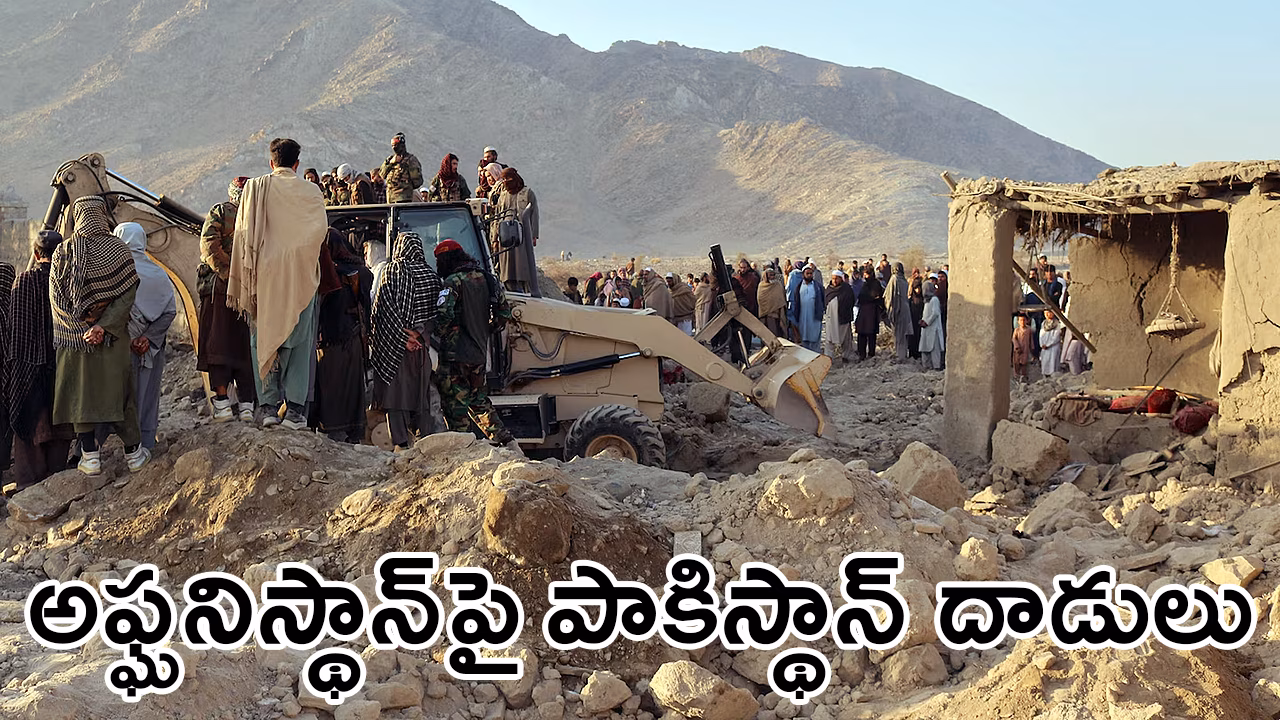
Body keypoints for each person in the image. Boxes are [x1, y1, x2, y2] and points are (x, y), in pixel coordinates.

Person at [228, 137, 328, 430]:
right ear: (297, 164)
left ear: (271, 162)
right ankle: (296, 412)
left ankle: (268, 407)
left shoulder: (256, 189)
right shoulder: (311, 192)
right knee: (299, 343)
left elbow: (244, 234)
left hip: (265, 277)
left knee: (263, 339)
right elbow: (320, 232)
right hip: (301, 277)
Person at [50, 196, 146, 475]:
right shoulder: (119, 250)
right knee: (119, 394)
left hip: (74, 340)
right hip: (111, 339)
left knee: (81, 396)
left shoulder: (62, 252)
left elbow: (56, 298)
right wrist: (103, 327)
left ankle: (90, 457)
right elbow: (127, 294)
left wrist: (80, 330)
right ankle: (134, 455)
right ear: (102, 215)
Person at [433, 239, 517, 446]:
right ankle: (505, 441)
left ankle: (461, 448)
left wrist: (440, 332)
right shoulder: (488, 279)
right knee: (479, 401)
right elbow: (504, 314)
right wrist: (484, 329)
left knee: (455, 405)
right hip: (479, 353)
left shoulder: (452, 282)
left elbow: (443, 316)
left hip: (455, 355)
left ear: (446, 260)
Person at [6, 231, 73, 489]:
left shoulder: (22, 282)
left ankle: (29, 485)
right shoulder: (67, 282)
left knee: (28, 424)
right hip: (62, 364)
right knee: (61, 423)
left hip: (27, 367)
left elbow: (16, 330)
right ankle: (56, 479)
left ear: (36, 255)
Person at [368, 232, 441, 451]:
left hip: (394, 348)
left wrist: (402, 337)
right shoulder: (431, 275)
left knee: (395, 396)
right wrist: (418, 336)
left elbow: (383, 310)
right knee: (421, 394)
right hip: (422, 348)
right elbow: (436, 312)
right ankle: (424, 440)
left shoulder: (392, 271)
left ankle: (400, 443)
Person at [198, 177, 257, 423]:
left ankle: (223, 404)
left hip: (220, 291)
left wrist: (228, 274)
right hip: (248, 291)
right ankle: (246, 406)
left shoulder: (220, 211)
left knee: (219, 346)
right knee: (244, 347)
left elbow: (209, 247)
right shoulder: (259, 217)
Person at [115, 223, 176, 453]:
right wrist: (148, 338)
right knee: (147, 395)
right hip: (150, 348)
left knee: (119, 396)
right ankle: (145, 444)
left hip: (122, 348)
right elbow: (170, 311)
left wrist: (133, 339)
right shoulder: (158, 273)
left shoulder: (115, 272)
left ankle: (119, 448)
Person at [313, 228, 370, 443]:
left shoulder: (326, 272)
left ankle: (332, 432)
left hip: (331, 339)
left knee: (330, 388)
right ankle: (353, 433)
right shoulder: (361, 271)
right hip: (353, 338)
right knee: (352, 389)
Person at [491, 168, 539, 294]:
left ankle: (523, 289)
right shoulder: (503, 195)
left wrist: (534, 235)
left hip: (522, 235)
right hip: (505, 235)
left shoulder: (527, 193)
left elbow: (534, 214)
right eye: (504, 179)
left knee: (522, 264)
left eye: (508, 178)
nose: (506, 181)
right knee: (506, 266)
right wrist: (495, 238)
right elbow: (497, 216)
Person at [787, 264, 824, 352]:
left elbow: (823, 299)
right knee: (804, 337)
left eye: (811, 273)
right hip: (803, 317)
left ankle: (816, 356)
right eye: (807, 273)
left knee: (815, 337)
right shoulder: (799, 287)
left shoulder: (818, 287)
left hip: (814, 317)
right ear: (803, 274)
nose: (809, 275)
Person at [380, 132, 424, 203]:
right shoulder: (390, 159)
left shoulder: (411, 160)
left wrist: (406, 186)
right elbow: (382, 174)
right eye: (393, 145)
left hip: (404, 199)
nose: (394, 148)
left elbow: (417, 181)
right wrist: (391, 163)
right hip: (390, 198)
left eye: (396, 145)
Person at [823, 270, 855, 364]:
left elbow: (851, 301)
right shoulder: (829, 289)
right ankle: (828, 359)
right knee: (829, 339)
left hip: (843, 319)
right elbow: (825, 301)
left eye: (837, 278)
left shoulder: (847, 289)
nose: (834, 281)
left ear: (841, 279)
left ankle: (847, 356)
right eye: (833, 278)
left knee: (846, 339)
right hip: (831, 319)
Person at [884, 262, 913, 361]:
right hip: (905, 308)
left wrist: (891, 309)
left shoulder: (894, 279)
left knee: (899, 333)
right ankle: (902, 353)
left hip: (898, 309)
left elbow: (889, 297)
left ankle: (900, 355)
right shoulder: (904, 280)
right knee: (902, 333)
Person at [855, 267, 884, 360]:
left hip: (872, 311)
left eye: (866, 274)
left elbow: (876, 296)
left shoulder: (875, 284)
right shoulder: (865, 284)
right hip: (863, 311)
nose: (865, 276)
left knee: (871, 334)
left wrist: (870, 299)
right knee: (861, 333)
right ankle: (861, 354)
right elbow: (861, 297)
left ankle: (871, 354)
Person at [918, 281, 944, 371]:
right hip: (926, 329)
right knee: (924, 347)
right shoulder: (926, 301)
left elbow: (935, 313)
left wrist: (927, 322)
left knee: (934, 348)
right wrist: (922, 320)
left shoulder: (934, 300)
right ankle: (926, 366)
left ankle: (936, 367)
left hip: (934, 329)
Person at [756, 266, 788, 339]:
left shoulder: (778, 285)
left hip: (778, 314)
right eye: (770, 275)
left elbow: (781, 298)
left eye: (773, 275)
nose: (772, 277)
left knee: (778, 334)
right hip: (767, 315)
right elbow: (760, 299)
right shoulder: (762, 286)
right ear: (766, 276)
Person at [1039, 310, 1064, 378]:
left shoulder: (1057, 324)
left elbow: (1056, 336)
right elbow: (1041, 335)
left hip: (1053, 347)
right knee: (1045, 363)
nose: (1047, 314)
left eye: (1049, 313)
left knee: (1053, 363)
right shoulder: (1043, 323)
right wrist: (1042, 344)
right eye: (1045, 313)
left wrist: (1048, 344)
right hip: (1044, 347)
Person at [1012, 313, 1034, 382]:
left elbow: (1031, 340)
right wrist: (1017, 346)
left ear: (1027, 321)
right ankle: (1016, 376)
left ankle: (1024, 377)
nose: (1022, 322)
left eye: (1024, 320)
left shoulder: (1029, 330)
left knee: (1024, 363)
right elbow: (1013, 339)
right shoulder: (1017, 330)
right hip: (1018, 350)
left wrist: (1032, 348)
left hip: (1025, 349)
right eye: (1021, 320)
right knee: (1017, 363)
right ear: (1018, 321)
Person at [907, 276, 925, 360]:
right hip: (912, 321)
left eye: (919, 288)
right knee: (912, 339)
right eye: (916, 288)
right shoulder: (910, 300)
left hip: (920, 322)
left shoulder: (923, 299)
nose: (918, 290)